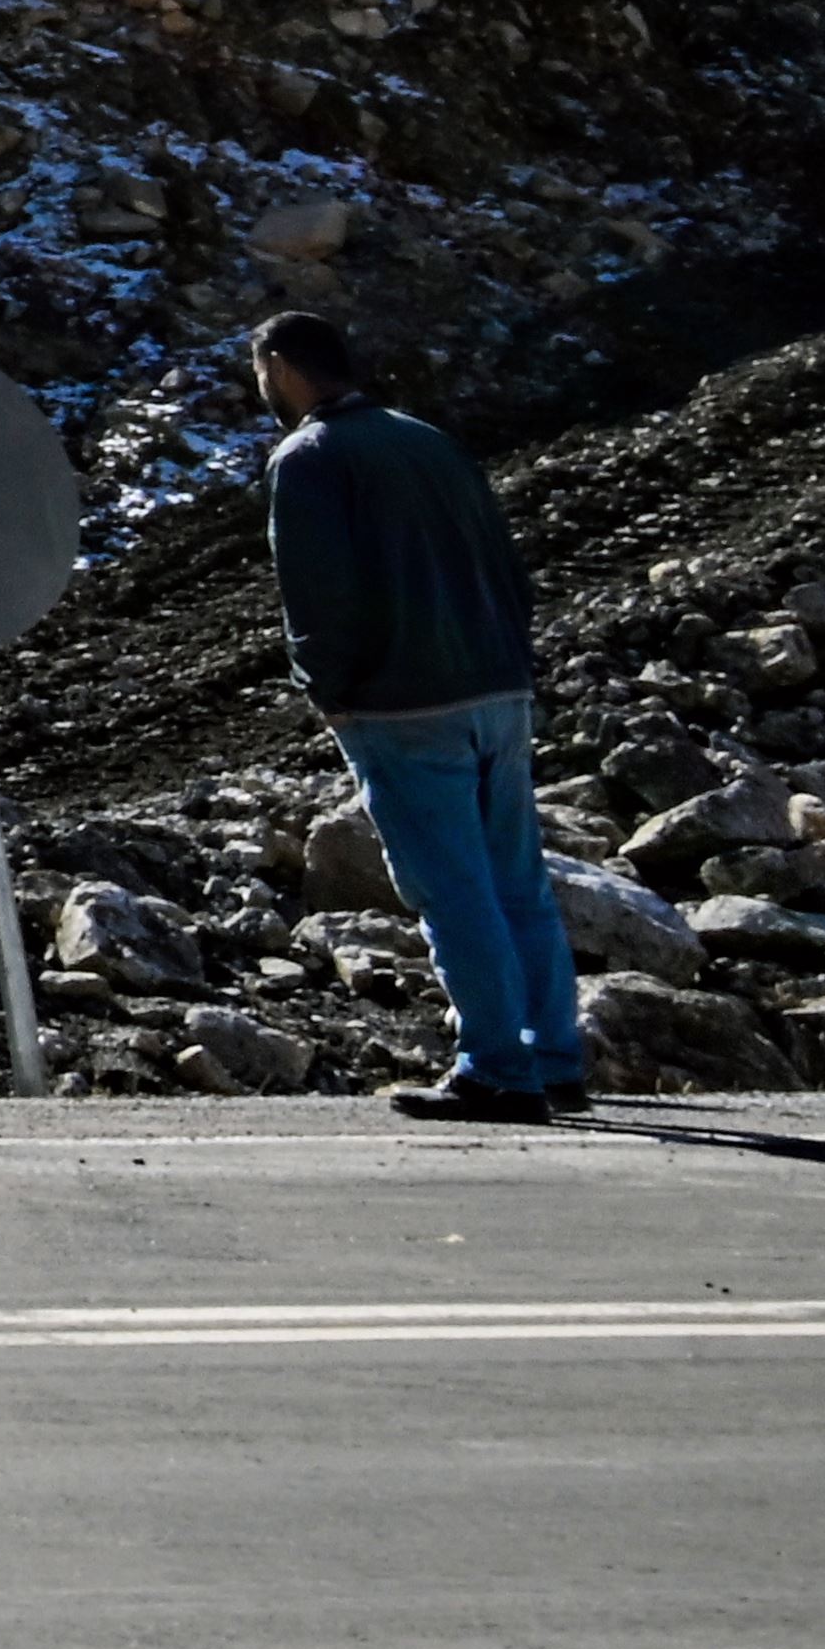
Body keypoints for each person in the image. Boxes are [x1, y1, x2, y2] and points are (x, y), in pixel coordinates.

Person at [254, 307, 578, 1122]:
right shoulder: (430, 441)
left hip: (404, 705)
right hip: (499, 692)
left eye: (262, 373)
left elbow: (318, 592)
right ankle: (554, 1058)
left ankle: (498, 1069)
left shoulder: (309, 456)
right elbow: (508, 565)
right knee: (517, 883)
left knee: (453, 888)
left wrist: (325, 688)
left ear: (284, 367)